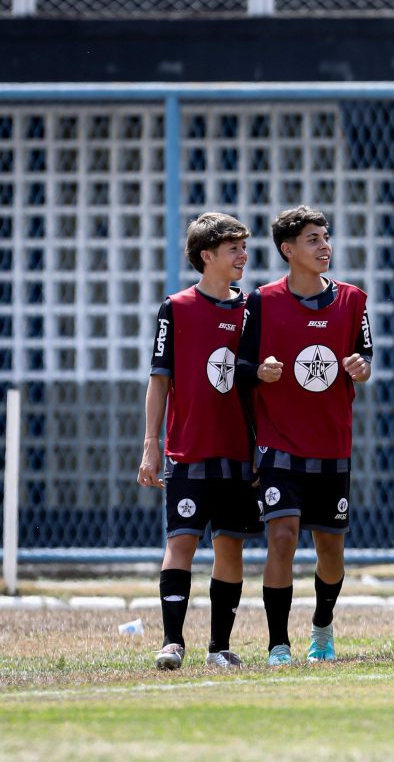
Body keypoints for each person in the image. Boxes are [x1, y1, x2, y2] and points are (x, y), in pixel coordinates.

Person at [238, 205, 373, 666]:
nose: (324, 246)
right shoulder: (261, 301)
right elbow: (240, 367)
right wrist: (261, 371)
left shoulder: (353, 300)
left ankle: (322, 628)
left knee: (330, 549)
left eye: (326, 237)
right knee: (282, 537)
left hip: (331, 444)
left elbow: (365, 358)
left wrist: (361, 367)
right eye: (313, 239)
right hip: (278, 444)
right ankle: (278, 644)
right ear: (288, 250)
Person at [138, 212, 261, 670]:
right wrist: (151, 443)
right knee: (182, 541)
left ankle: (218, 647)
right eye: (233, 249)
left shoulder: (252, 309)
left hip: (239, 451)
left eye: (244, 247)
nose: (243, 256)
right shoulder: (176, 308)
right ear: (206, 256)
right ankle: (172, 642)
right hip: (188, 449)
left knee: (230, 545)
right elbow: (159, 380)